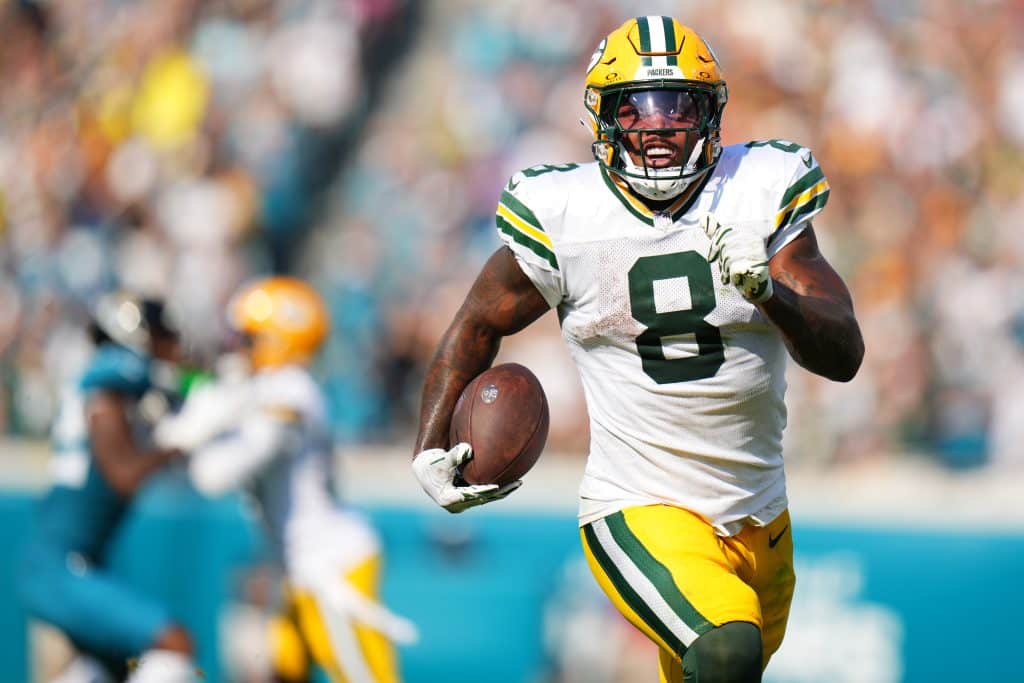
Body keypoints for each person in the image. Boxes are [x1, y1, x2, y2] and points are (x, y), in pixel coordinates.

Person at [411, 15, 864, 683]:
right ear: (604, 117)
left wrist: (771, 293)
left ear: (711, 114)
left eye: (677, 105)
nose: (656, 126)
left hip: (759, 514)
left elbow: (844, 352)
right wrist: (427, 444)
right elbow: (477, 323)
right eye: (636, 108)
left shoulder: (758, 191)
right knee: (724, 648)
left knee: (718, 662)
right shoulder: (567, 214)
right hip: (637, 505)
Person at [154, 276, 415, 683]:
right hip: (295, 567)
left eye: (248, 338)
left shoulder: (290, 391)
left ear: (279, 339)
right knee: (280, 674)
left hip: (331, 564)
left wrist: (187, 431)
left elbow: (215, 476)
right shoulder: (267, 389)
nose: (237, 348)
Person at [19, 293, 197, 683]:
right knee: (173, 643)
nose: (172, 350)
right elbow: (123, 474)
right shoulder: (105, 388)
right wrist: (173, 444)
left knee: (109, 669)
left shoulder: (110, 387)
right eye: (164, 339)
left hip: (71, 564)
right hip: (64, 567)